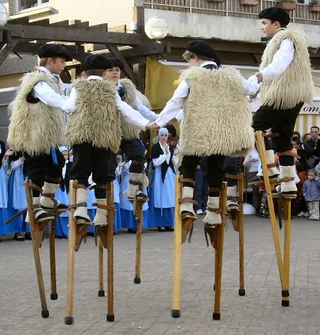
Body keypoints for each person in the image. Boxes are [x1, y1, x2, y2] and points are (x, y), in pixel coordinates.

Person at [150, 40, 258, 226]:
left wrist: (160, 121)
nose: (189, 64)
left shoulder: (193, 77)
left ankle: (186, 204)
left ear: (195, 58)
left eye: (190, 60)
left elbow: (177, 100)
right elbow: (251, 89)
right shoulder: (231, 76)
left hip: (198, 129)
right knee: (216, 167)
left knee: (188, 163)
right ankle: (214, 211)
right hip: (221, 132)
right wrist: (256, 81)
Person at [64, 55, 154, 231]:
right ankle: (102, 215)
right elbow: (126, 110)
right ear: (104, 72)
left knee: (80, 171)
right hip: (104, 137)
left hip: (83, 136)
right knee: (103, 175)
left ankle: (81, 209)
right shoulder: (110, 90)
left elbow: (68, 107)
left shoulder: (79, 87)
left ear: (84, 73)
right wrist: (146, 124)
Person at [250, 7, 313, 194]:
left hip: (284, 95)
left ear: (276, 24)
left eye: (264, 23)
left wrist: (261, 76)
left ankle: (269, 169)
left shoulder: (286, 40)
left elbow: (279, 64)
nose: (262, 27)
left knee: (256, 125)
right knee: (282, 137)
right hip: (291, 95)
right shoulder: (285, 40)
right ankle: (288, 182)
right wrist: (259, 88)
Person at [8, 44, 73, 223]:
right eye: (61, 61)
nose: (64, 65)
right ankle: (34, 210)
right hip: (33, 135)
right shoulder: (38, 80)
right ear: (50, 61)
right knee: (36, 168)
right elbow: (50, 98)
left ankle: (47, 199)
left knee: (57, 163)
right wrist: (68, 104)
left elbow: (63, 95)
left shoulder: (53, 80)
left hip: (45, 136)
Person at [103, 57, 158, 202]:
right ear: (104, 72)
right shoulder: (100, 88)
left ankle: (133, 190)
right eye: (110, 70)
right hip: (107, 132)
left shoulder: (128, 89)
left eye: (117, 70)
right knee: (108, 165)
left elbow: (140, 108)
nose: (115, 73)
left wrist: (158, 119)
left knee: (139, 155)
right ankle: (104, 198)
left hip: (127, 130)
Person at [149, 128, 179, 231]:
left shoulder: (170, 147)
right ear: (158, 136)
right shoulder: (155, 147)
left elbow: (173, 162)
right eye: (162, 135)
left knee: (169, 198)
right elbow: (155, 162)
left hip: (169, 175)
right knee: (160, 198)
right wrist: (165, 155)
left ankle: (168, 223)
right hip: (159, 175)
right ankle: (159, 223)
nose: (164, 137)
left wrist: (174, 155)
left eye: (166, 135)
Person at [7, 151, 30, 241]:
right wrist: (21, 160)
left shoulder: (31, 150)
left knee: (28, 203)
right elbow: (11, 166)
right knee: (18, 204)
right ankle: (18, 231)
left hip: (28, 178)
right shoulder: (14, 152)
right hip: (17, 179)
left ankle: (28, 230)